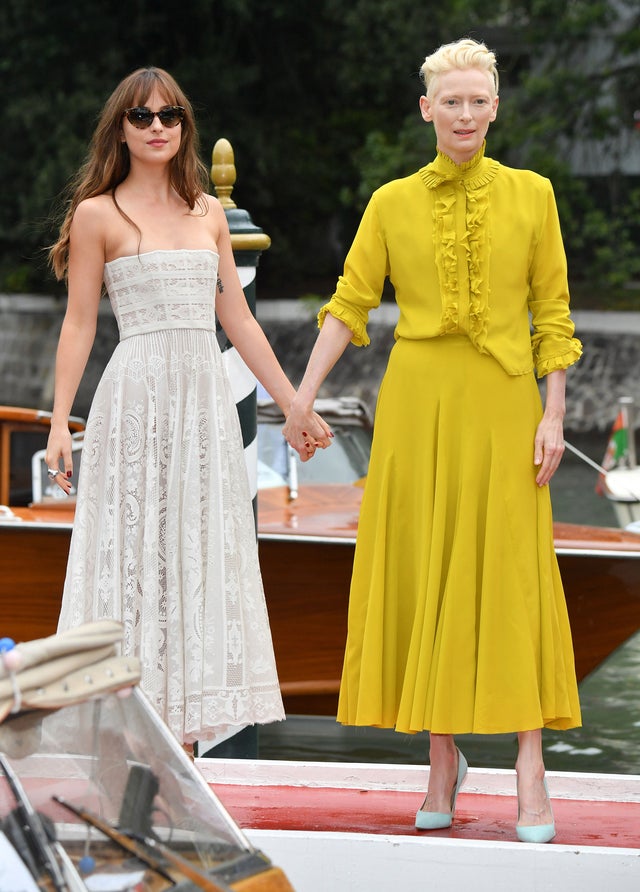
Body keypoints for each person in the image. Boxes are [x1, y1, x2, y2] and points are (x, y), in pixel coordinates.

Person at [282, 38, 582, 843]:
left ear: (494, 108)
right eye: (449, 101)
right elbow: (349, 305)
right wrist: (300, 398)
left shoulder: (534, 195)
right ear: (427, 110)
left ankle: (530, 764)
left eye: (477, 101)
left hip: (506, 405)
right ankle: (442, 759)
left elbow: (553, 317)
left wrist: (553, 415)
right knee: (428, 571)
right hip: (417, 408)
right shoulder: (389, 203)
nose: (464, 113)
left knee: (512, 575)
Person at [45, 66, 331, 748]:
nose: (156, 127)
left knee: (197, 556)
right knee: (134, 560)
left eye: (168, 115)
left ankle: (187, 749)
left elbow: (241, 322)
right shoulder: (97, 214)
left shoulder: (207, 212)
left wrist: (293, 404)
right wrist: (59, 422)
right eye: (141, 117)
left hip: (201, 402)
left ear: (184, 126)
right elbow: (80, 324)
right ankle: (124, 741)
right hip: (135, 399)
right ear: (120, 127)